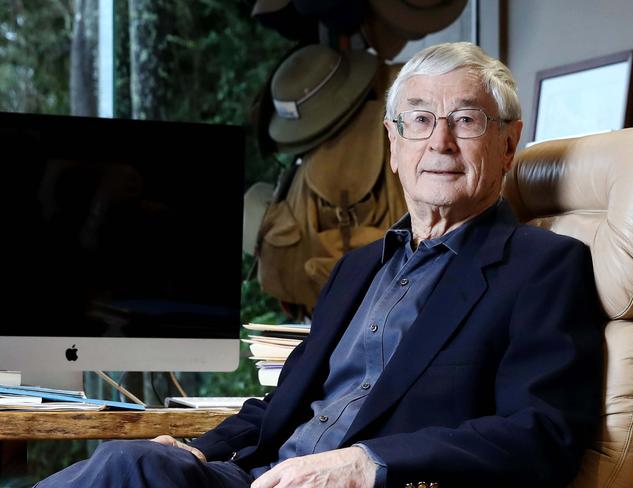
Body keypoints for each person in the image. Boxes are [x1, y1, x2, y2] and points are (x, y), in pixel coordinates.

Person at [36, 42, 603, 488]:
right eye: (421, 119)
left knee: (127, 471)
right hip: (256, 476)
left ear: (508, 145)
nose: (441, 142)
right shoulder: (357, 269)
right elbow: (280, 406)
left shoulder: (544, 266)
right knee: (137, 462)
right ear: (394, 144)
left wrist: (367, 464)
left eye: (467, 120)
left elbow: (541, 436)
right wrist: (199, 448)